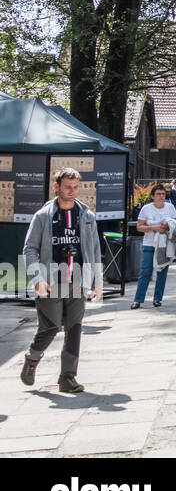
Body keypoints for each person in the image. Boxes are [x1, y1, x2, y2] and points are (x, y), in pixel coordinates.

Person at [20, 168, 102, 393]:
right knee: (50, 327)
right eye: (68, 187)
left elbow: (94, 251)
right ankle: (32, 359)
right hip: (50, 282)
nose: (72, 191)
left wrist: (97, 283)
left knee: (74, 329)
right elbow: (30, 249)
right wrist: (37, 277)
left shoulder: (86, 216)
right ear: (56, 187)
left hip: (78, 282)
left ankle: (67, 378)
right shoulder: (43, 216)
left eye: (76, 187)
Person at [133, 182, 176, 308]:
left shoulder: (170, 207)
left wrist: (167, 225)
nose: (161, 196)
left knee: (162, 271)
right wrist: (154, 227)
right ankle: (138, 300)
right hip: (149, 243)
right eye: (158, 194)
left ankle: (157, 298)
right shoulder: (146, 209)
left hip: (164, 244)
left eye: (163, 194)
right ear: (153, 196)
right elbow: (139, 227)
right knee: (145, 271)